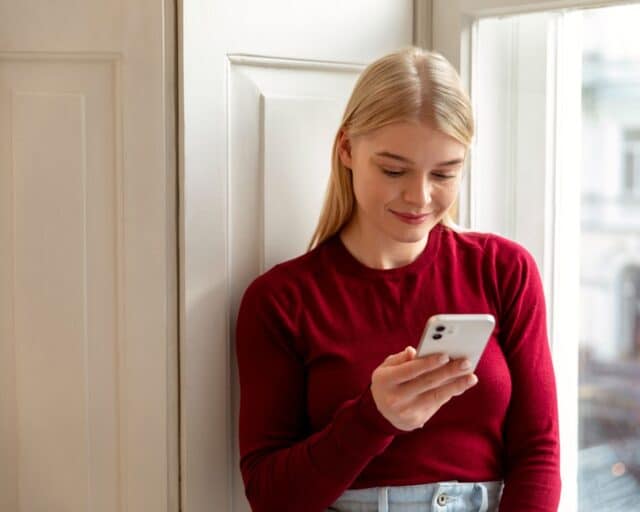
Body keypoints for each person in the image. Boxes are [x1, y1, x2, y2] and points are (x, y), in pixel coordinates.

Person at [235, 46, 561, 512]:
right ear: (347, 149)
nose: (419, 196)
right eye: (394, 170)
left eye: (444, 173)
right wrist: (374, 417)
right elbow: (270, 497)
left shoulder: (503, 270)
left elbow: (539, 455)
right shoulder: (281, 301)